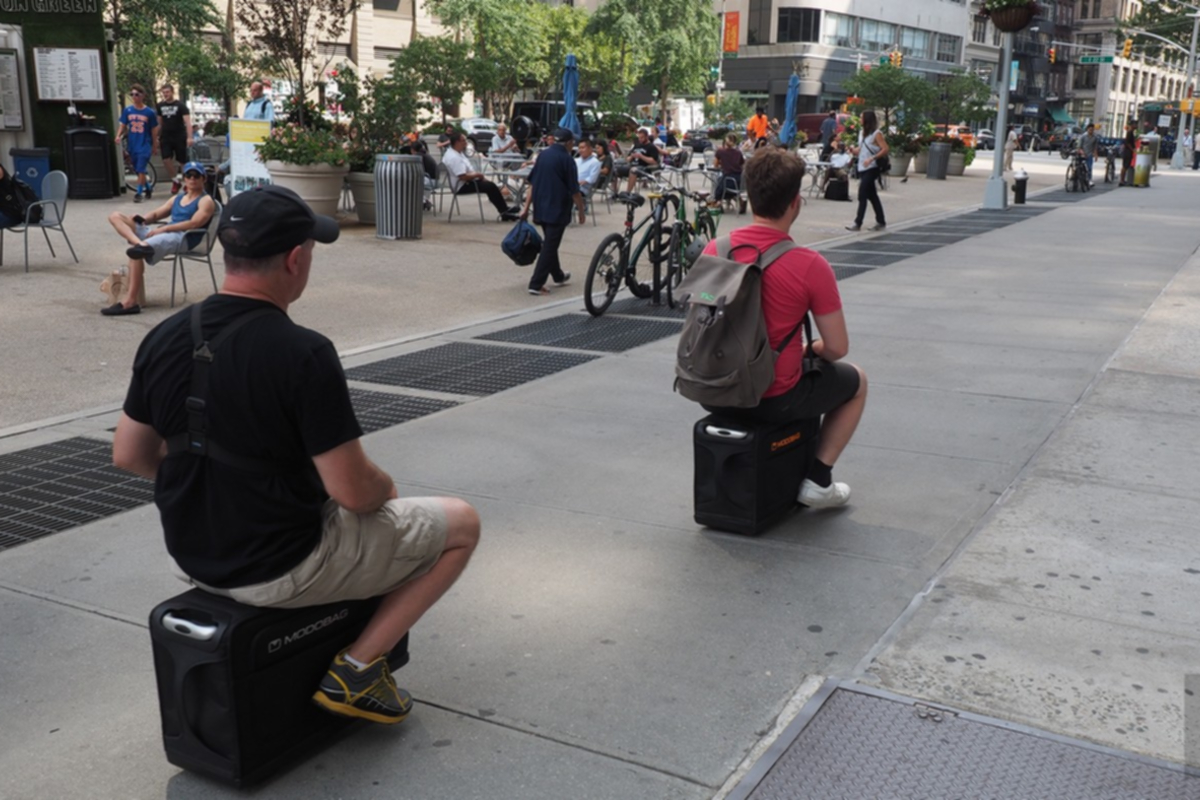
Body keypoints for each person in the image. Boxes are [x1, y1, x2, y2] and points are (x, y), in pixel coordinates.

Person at [112, 184, 481, 725]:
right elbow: (354, 493)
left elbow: (129, 454)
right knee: (460, 525)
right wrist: (387, 490)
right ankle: (357, 669)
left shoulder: (166, 334)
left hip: (192, 556)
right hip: (281, 566)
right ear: (294, 259)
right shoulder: (302, 352)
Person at [698, 148, 867, 508]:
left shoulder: (716, 248)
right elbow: (837, 348)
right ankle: (819, 481)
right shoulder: (809, 264)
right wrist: (810, 350)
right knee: (857, 382)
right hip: (772, 397)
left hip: (712, 389)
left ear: (749, 194)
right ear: (796, 203)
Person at [103, 161, 217, 316]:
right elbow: (157, 214)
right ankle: (140, 244)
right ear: (184, 178)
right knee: (115, 216)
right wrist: (142, 218)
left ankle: (130, 302)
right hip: (165, 233)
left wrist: (164, 228)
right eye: (188, 175)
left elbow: (194, 223)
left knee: (136, 253)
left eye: (196, 175)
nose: (192, 179)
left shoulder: (206, 201)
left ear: (204, 179)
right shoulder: (178, 198)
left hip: (184, 238)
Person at [519, 128, 585, 296]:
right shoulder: (567, 160)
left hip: (541, 206)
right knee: (550, 246)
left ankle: (558, 275)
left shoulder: (543, 155)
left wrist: (526, 207)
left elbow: (532, 183)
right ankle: (536, 283)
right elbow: (574, 190)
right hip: (557, 208)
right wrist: (581, 210)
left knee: (550, 242)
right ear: (569, 143)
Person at [443, 132, 520, 220]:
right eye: (463, 141)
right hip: (462, 185)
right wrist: (478, 175)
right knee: (490, 187)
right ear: (457, 143)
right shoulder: (454, 157)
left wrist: (478, 177)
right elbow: (462, 176)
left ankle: (504, 210)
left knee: (490, 185)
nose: (466, 142)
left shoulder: (457, 153)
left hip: (467, 181)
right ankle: (504, 212)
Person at [116, 83, 160, 203]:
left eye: (137, 94)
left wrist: (154, 145)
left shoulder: (149, 112)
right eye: (132, 94)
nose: (134, 97)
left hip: (145, 143)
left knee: (141, 169)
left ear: (142, 96)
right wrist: (118, 135)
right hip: (133, 143)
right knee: (137, 168)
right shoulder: (128, 110)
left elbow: (154, 129)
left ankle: (139, 192)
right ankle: (149, 188)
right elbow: (123, 124)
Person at [846, 109, 887, 232]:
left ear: (866, 119)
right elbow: (863, 148)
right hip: (862, 167)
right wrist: (854, 150)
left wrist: (872, 158)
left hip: (872, 167)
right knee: (872, 195)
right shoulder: (862, 133)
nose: (859, 119)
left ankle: (858, 222)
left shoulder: (876, 134)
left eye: (861, 117)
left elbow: (885, 148)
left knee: (862, 193)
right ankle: (881, 221)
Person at [156, 84, 193, 194]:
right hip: (166, 136)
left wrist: (190, 137)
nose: (165, 95)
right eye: (163, 93)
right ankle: (175, 181)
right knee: (166, 159)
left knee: (182, 161)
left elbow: (188, 122)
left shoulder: (181, 106)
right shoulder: (160, 106)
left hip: (179, 135)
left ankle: (187, 183)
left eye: (167, 92)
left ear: (172, 92)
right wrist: (157, 137)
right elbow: (159, 123)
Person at [712, 133, 746, 214]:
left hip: (728, 180)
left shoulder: (720, 152)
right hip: (740, 181)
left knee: (719, 182)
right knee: (729, 185)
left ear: (725, 142)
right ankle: (740, 200)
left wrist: (722, 163)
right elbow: (742, 164)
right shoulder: (738, 153)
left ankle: (719, 202)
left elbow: (715, 165)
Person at [622, 127, 661, 194]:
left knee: (633, 170)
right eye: (639, 137)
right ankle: (615, 194)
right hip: (632, 165)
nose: (640, 139)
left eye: (642, 137)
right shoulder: (637, 145)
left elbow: (654, 161)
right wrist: (631, 156)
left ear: (646, 137)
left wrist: (641, 156)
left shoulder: (651, 147)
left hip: (644, 168)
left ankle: (628, 193)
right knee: (615, 169)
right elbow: (627, 159)